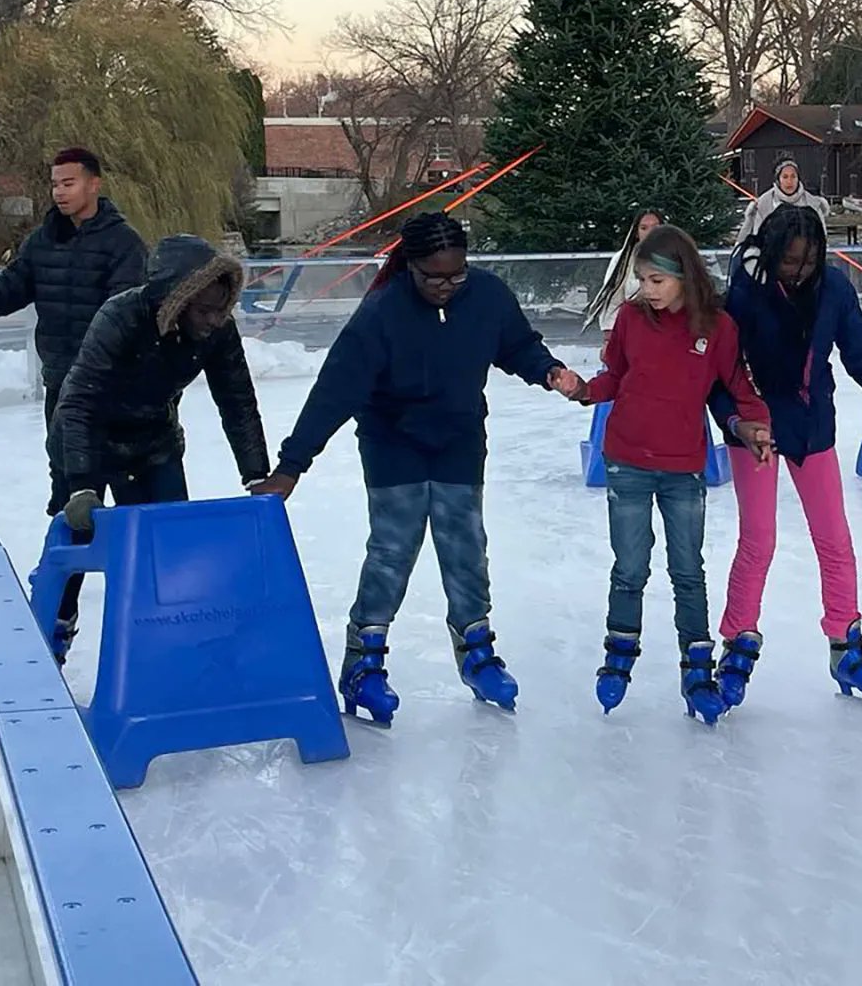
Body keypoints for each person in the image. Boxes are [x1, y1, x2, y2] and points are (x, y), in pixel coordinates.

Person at [251, 213, 570, 724]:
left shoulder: (486, 295)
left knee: (466, 547)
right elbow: (334, 391)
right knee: (392, 550)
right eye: (433, 276)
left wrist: (548, 370)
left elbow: (516, 345)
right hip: (392, 441)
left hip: (460, 439)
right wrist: (292, 466)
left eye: (456, 275)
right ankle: (364, 664)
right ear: (410, 266)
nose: (446, 286)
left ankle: (477, 654)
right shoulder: (382, 312)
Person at [709, 205, 862, 709]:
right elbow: (721, 373)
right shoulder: (745, 293)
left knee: (834, 539)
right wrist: (739, 423)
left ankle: (845, 646)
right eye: (790, 262)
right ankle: (738, 643)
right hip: (756, 426)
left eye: (808, 262)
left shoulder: (834, 288)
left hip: (811, 426)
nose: (800, 271)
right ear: (771, 252)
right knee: (759, 540)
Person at [553, 224, 772, 725]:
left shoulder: (717, 327)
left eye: (656, 281)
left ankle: (696, 668)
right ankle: (618, 655)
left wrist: (755, 426)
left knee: (687, 571)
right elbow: (616, 376)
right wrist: (584, 389)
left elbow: (738, 385)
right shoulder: (631, 319)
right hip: (627, 460)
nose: (646, 292)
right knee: (630, 568)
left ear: (682, 277)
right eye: (642, 281)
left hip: (682, 467)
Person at [47, 236, 270, 664]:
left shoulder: (216, 329)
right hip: (88, 439)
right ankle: (58, 623)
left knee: (170, 546)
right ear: (175, 301)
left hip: (153, 441)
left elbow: (237, 398)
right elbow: (78, 402)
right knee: (79, 536)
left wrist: (256, 473)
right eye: (203, 310)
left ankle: (167, 643)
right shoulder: (121, 316)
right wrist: (79, 484)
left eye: (220, 308)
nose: (212, 320)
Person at [0, 148, 147, 504]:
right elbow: (9, 289)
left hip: (114, 390)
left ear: (94, 185)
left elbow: (127, 315)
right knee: (67, 489)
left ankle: (128, 558)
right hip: (61, 385)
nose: (59, 192)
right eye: (55, 184)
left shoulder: (123, 244)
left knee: (128, 494)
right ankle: (68, 559)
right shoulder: (42, 241)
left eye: (69, 183)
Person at [583, 208, 666, 358]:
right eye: (644, 228)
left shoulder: (678, 258)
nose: (650, 232)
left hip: (668, 334)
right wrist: (609, 338)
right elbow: (612, 300)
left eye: (656, 227)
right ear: (636, 232)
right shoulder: (622, 260)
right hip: (632, 336)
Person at [735, 157, 830, 243]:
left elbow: (821, 237)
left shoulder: (812, 203)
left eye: (793, 176)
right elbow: (758, 237)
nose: (789, 181)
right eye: (785, 177)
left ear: (798, 179)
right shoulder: (764, 203)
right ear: (778, 179)